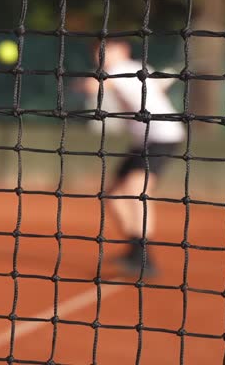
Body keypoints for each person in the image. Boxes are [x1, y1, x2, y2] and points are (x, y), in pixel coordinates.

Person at [79, 39, 184, 276]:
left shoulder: (120, 69)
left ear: (123, 50)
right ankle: (135, 249)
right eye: (98, 53)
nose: (101, 56)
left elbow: (93, 87)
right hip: (144, 140)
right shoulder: (138, 67)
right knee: (114, 195)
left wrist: (87, 84)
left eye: (107, 51)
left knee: (137, 190)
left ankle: (145, 258)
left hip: (162, 137)